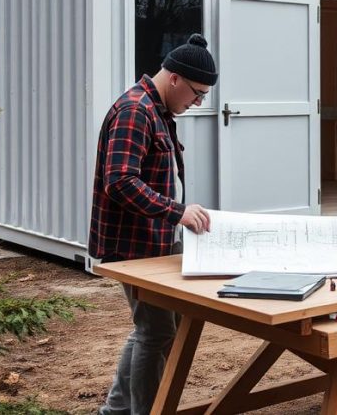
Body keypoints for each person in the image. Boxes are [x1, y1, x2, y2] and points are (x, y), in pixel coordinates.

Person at [90, 33, 218, 415]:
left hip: (156, 241)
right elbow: (120, 181)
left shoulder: (159, 110)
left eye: (203, 97)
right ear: (174, 78)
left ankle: (116, 410)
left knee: (158, 329)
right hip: (132, 247)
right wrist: (175, 211)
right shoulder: (136, 110)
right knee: (157, 331)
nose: (196, 103)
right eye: (196, 93)